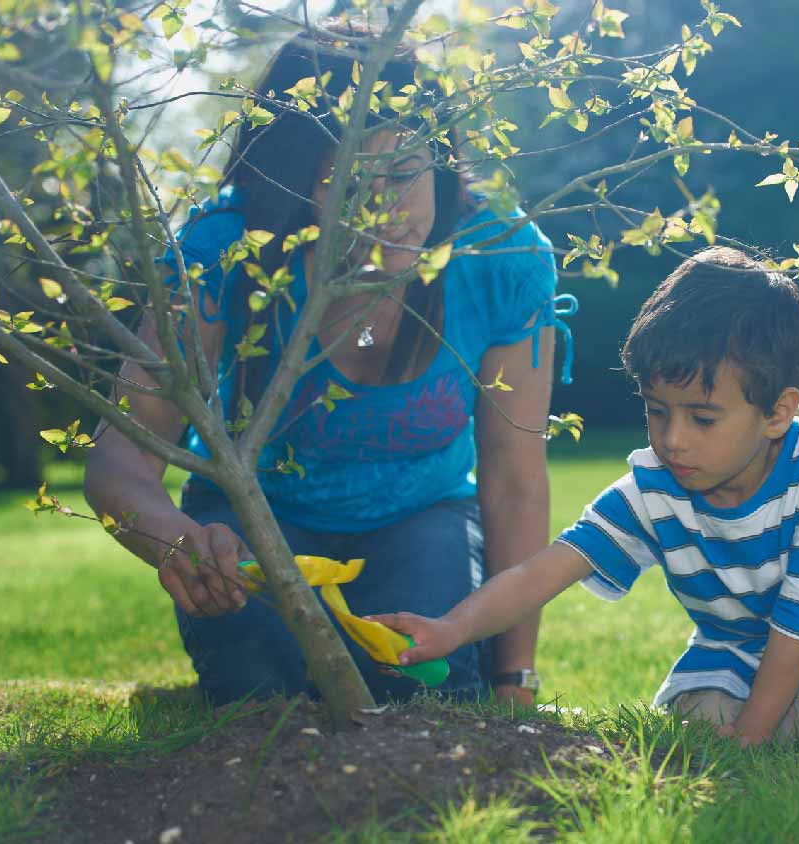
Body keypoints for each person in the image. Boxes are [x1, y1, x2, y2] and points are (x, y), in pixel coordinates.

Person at [84, 25, 569, 707]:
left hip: (422, 515)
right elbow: (118, 464)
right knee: (262, 695)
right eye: (351, 185)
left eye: (405, 174)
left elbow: (516, 481)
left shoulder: (503, 257)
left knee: (428, 693)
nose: (388, 213)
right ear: (292, 188)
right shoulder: (224, 251)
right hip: (258, 519)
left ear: (439, 156)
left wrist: (514, 678)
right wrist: (180, 544)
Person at [373, 246, 799, 747]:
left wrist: (753, 734)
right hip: (731, 651)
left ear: (777, 413)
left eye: (702, 418)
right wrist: (450, 630)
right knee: (693, 729)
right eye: (656, 411)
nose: (673, 440)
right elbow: (545, 571)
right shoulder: (655, 487)